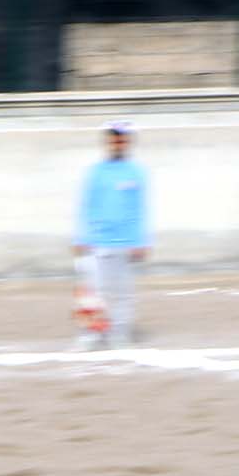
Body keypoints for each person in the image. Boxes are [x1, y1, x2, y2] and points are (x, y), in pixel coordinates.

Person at [74, 121, 149, 348]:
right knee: (92, 293)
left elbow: (141, 209)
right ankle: (91, 334)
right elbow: (87, 206)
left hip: (125, 243)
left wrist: (141, 241)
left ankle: (119, 333)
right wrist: (80, 238)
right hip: (98, 241)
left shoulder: (136, 172)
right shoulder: (96, 172)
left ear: (127, 143)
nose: (117, 143)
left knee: (123, 293)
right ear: (108, 142)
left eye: (122, 139)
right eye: (114, 139)